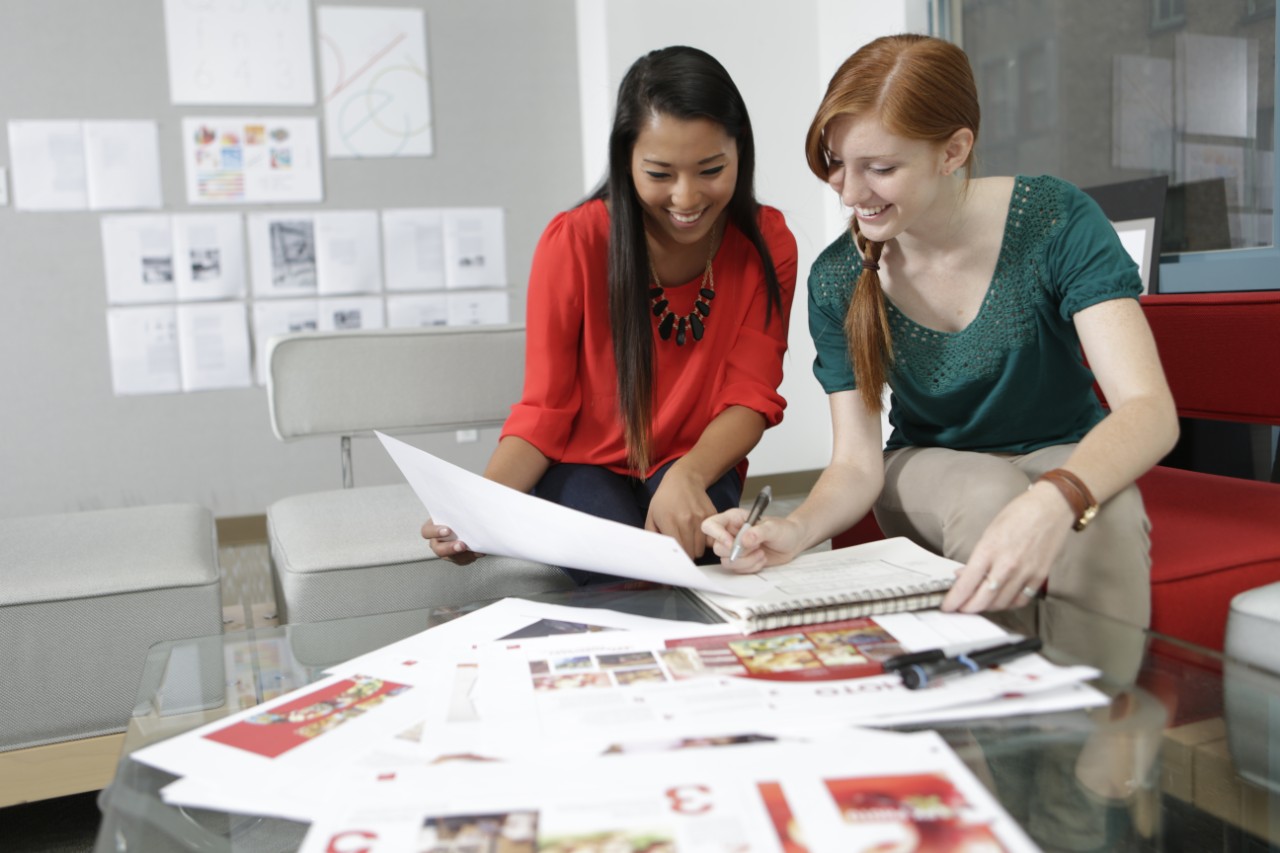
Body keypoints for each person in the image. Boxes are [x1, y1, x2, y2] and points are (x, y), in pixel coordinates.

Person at [702, 34, 1178, 628]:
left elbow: (1148, 409)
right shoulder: (839, 277)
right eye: (836, 165)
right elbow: (855, 463)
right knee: (986, 494)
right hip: (925, 464)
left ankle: (1101, 715)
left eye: (880, 168)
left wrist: (1060, 494)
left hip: (1061, 443)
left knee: (1105, 510)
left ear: (953, 151)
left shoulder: (1056, 220)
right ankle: (993, 705)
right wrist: (792, 529)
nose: (850, 195)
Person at [423, 45, 798, 583]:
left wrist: (690, 474)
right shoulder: (574, 240)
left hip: (696, 460)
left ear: (741, 152)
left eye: (711, 169)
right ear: (626, 160)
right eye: (660, 173)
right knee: (624, 577)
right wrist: (480, 514)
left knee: (697, 566)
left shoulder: (768, 242)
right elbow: (544, 411)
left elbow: (752, 394)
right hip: (582, 466)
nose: (686, 197)